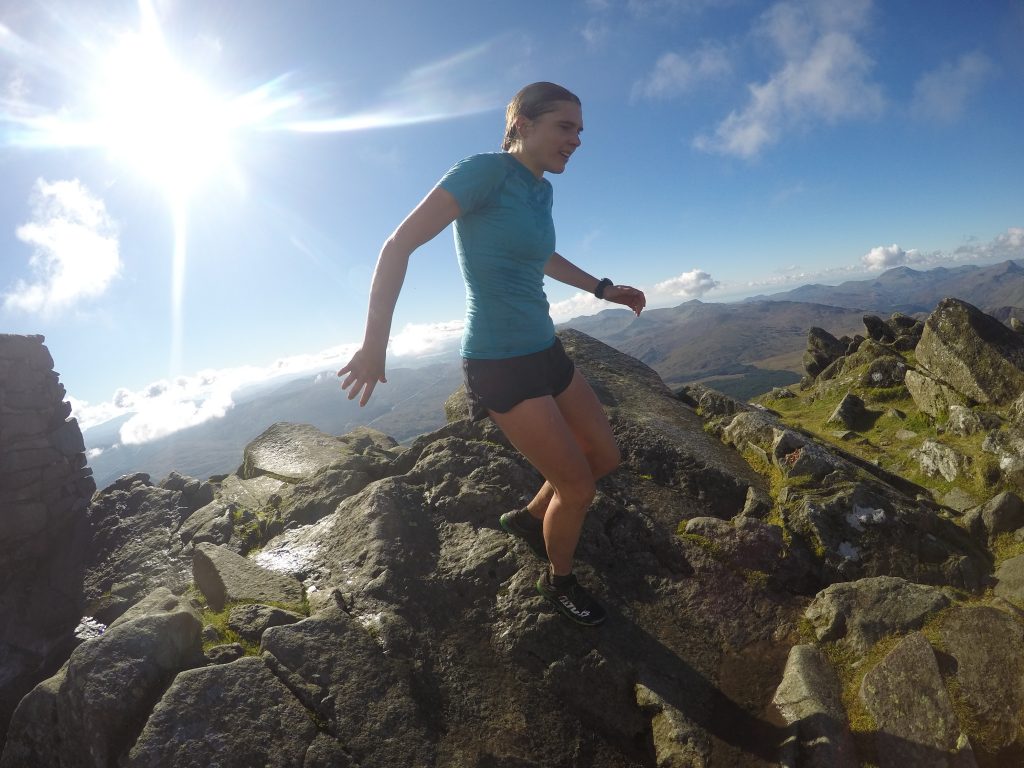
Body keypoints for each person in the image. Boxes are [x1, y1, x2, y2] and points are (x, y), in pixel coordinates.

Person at [338, 82, 646, 626]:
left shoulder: (539, 189)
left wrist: (603, 289)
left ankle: (531, 520)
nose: (576, 140)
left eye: (579, 130)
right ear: (522, 125)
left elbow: (541, 253)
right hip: (499, 363)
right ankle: (561, 582)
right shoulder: (481, 172)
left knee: (604, 458)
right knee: (577, 487)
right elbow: (397, 245)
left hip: (544, 347)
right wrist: (374, 344)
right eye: (564, 127)